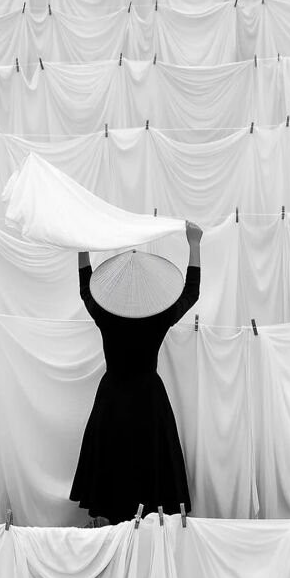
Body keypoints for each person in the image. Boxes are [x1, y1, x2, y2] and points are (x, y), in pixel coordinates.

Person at [70, 221, 203, 525]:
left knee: (114, 461)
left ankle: (115, 525)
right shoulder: (159, 317)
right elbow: (191, 292)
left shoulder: (104, 313)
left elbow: (84, 285)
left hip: (112, 399)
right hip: (148, 400)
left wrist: (82, 244)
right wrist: (194, 244)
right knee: (148, 463)